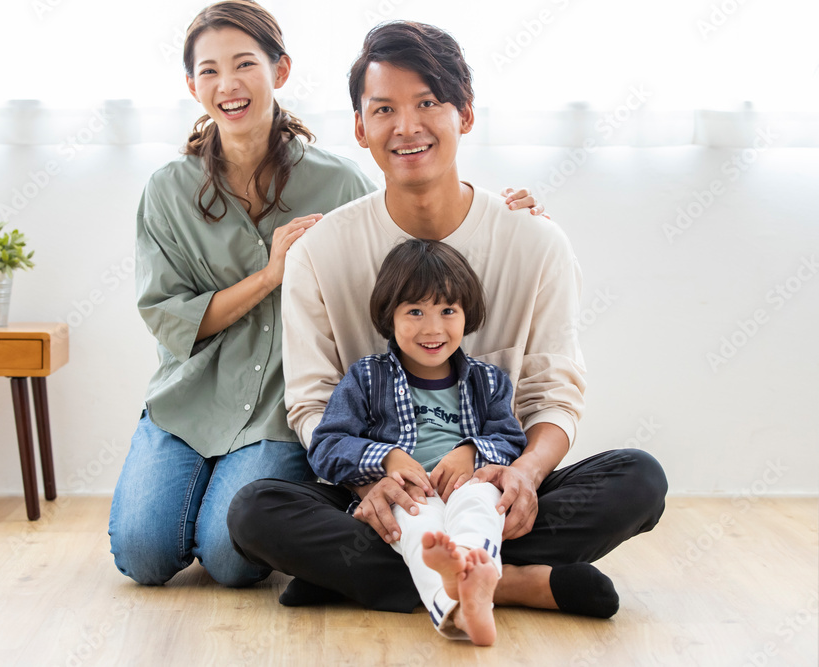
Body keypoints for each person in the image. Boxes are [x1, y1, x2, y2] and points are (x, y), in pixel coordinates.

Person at [228, 20, 668, 616]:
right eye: (384, 109)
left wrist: (524, 475)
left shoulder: (536, 242)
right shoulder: (319, 252)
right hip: (384, 499)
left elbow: (554, 395)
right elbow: (312, 405)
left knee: (639, 478)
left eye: (428, 103)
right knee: (254, 511)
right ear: (360, 127)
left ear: (465, 113)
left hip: (491, 494)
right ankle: (510, 581)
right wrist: (372, 484)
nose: (406, 126)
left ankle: (373, 578)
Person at [107, 0, 548, 588]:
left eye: (244, 64)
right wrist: (269, 276)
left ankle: (467, 572)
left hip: (277, 415)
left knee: (233, 561)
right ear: (192, 85)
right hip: (188, 403)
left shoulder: (339, 182)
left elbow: (413, 238)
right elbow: (168, 319)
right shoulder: (167, 191)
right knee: (143, 556)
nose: (228, 84)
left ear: (280, 70)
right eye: (209, 70)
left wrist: (507, 216)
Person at [309, 238, 529, 644]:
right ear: (389, 316)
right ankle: (464, 603)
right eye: (415, 311)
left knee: (482, 506)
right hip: (407, 494)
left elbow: (511, 440)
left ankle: (468, 579)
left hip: (469, 484)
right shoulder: (367, 377)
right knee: (417, 529)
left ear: (467, 314)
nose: (433, 328)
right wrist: (387, 457)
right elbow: (326, 446)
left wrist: (471, 451)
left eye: (448, 310)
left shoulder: (488, 380)